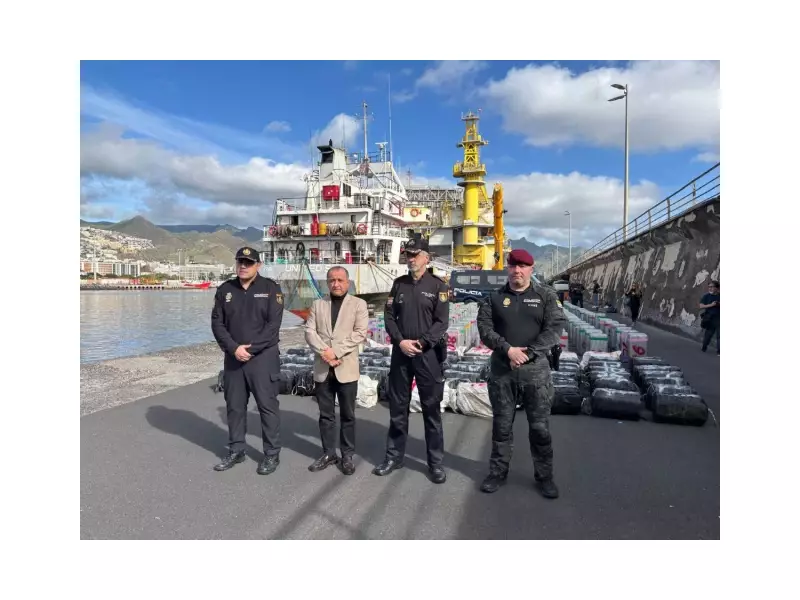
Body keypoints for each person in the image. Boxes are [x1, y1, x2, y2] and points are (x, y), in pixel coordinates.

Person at [476, 248, 566, 499]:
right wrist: (508, 350)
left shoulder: (545, 296)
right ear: (508, 268)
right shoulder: (493, 298)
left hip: (535, 373)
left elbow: (555, 328)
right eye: (513, 266)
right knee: (501, 427)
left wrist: (529, 353)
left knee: (539, 428)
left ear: (531, 269)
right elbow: (484, 329)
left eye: (523, 266)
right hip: (503, 372)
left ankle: (545, 477)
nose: (517, 270)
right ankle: (497, 472)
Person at [374, 237, 450, 484]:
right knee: (398, 408)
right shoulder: (399, 285)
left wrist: (422, 342)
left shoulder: (439, 287)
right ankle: (394, 456)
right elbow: (388, 316)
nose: (410, 258)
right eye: (408, 254)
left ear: (426, 258)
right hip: (401, 353)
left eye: (415, 254)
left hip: (427, 355)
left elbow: (441, 323)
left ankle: (435, 463)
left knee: (431, 410)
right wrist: (400, 341)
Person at [210, 247, 285, 475]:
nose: (243, 266)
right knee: (234, 407)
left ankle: (271, 454)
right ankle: (237, 450)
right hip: (234, 360)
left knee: (267, 407)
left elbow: (273, 326)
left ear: (258, 266)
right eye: (240, 262)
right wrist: (234, 349)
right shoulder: (225, 290)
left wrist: (250, 350)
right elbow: (217, 324)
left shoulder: (271, 289)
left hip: (262, 359)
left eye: (248, 262)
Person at [304, 267, 369, 475]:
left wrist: (336, 352)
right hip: (323, 367)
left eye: (340, 280)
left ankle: (347, 455)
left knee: (348, 414)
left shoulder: (359, 305)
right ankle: (328, 453)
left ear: (347, 282)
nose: (336, 284)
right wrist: (325, 352)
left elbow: (360, 333)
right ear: (327, 283)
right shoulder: (317, 304)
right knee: (326, 415)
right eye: (332, 280)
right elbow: (309, 331)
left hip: (346, 367)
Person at [699, 280, 720, 355]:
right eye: (709, 287)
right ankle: (704, 347)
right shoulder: (706, 296)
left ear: (717, 288)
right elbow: (701, 306)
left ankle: (719, 351)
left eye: (712, 287)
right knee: (708, 335)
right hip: (709, 318)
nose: (710, 288)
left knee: (719, 336)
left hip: (719, 319)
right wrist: (711, 305)